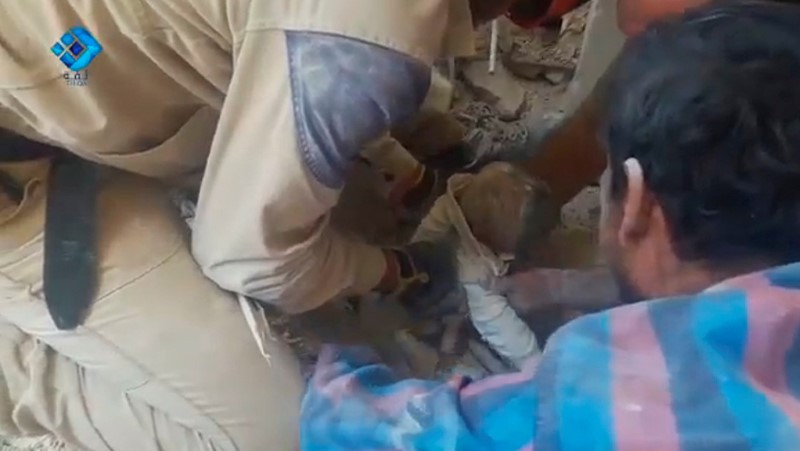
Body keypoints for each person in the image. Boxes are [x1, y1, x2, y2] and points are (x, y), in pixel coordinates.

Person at [0, 0, 549, 448]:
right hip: (21, 173)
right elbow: (246, 259)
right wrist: (396, 270)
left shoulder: (361, 39)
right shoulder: (367, 42)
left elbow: (299, 44)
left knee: (339, 218)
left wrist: (403, 172)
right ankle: (17, 369)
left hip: (77, 68)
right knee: (283, 431)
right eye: (539, 11)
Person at [301, 1, 800, 449]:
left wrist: (336, 368)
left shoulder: (597, 391)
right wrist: (565, 286)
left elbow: (363, 429)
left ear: (639, 205)